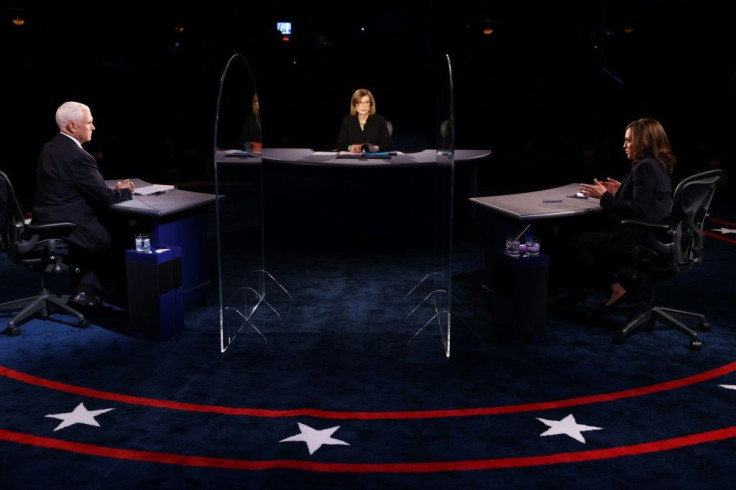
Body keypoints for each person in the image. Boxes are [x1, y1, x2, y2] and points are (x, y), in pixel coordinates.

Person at [561, 117, 675, 310]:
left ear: (643, 141)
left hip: (640, 235)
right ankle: (585, 289)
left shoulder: (645, 166)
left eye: (629, 140)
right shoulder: (657, 164)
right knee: (589, 229)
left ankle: (615, 287)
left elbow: (638, 210)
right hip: (654, 232)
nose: (624, 145)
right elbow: (649, 198)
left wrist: (604, 196)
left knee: (577, 240)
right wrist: (622, 189)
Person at [32, 101, 135, 309]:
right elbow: (105, 198)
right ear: (72, 126)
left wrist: (109, 191)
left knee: (104, 222)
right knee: (126, 228)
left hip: (46, 220)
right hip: (69, 225)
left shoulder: (49, 147)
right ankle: (120, 295)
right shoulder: (78, 155)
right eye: (89, 123)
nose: (93, 127)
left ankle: (85, 288)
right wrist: (125, 190)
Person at [336, 88, 393, 153]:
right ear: (355, 106)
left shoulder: (379, 120)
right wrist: (349, 147)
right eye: (360, 103)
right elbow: (340, 145)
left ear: (370, 106)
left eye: (366, 102)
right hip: (353, 160)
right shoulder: (347, 120)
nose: (363, 106)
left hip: (374, 160)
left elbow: (389, 145)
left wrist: (377, 148)